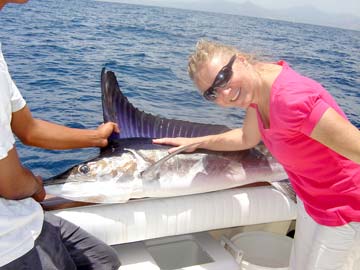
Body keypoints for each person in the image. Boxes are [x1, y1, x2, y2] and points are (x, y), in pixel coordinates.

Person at [153, 39, 360, 269]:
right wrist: (196, 142)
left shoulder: (292, 100)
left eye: (223, 77)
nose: (226, 93)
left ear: (240, 59)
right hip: (313, 201)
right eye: (212, 93)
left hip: (346, 209)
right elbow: (246, 138)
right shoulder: (258, 91)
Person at [0, 1, 121, 269]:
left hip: (24, 218)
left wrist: (97, 138)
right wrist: (34, 185)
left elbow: (28, 128)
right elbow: (10, 184)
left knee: (105, 261)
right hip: (7, 246)